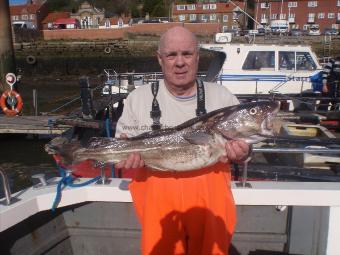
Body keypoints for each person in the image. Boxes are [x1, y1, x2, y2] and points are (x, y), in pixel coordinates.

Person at [115, 26, 251, 255]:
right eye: (171, 55)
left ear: (197, 57)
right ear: (160, 59)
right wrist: (126, 159)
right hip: (159, 204)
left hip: (211, 201)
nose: (180, 62)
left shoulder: (223, 98)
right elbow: (121, 153)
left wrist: (243, 153)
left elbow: (247, 149)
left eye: (187, 54)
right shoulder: (137, 99)